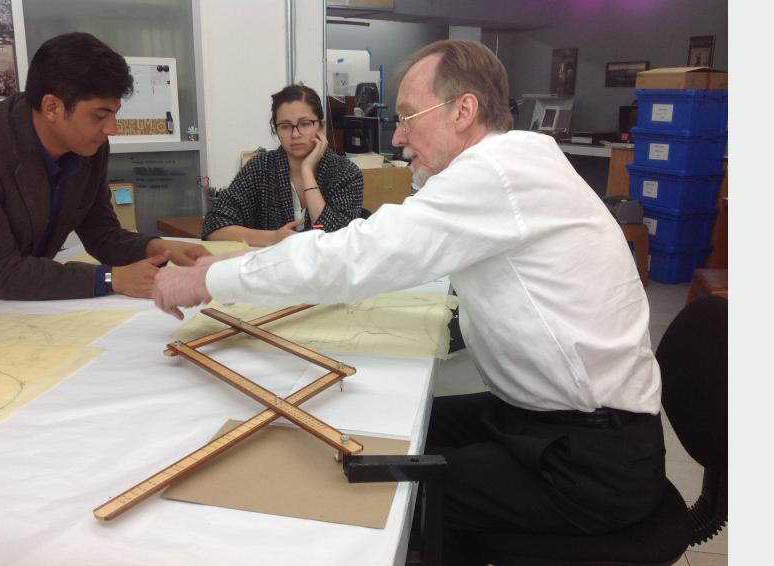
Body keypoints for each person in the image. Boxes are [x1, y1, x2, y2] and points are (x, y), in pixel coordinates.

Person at [154, 40, 665, 563]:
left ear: (463, 111)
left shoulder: (494, 174)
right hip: (544, 418)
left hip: (589, 460)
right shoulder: (512, 163)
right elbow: (389, 246)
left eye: (407, 117)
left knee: (389, 490)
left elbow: (357, 256)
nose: (397, 136)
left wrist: (212, 278)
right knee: (387, 429)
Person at [0, 32, 209, 300]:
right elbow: (4, 273)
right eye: (99, 115)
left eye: (115, 113)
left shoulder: (88, 147)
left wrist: (159, 248)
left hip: (19, 294)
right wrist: (111, 278)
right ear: (52, 107)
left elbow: (101, 233)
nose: (112, 129)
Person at [201, 84, 363, 246]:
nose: (295, 134)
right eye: (285, 126)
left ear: (321, 126)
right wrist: (273, 238)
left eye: (305, 124)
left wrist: (307, 172)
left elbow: (338, 240)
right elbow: (213, 225)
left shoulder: (345, 172)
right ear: (276, 130)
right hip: (270, 261)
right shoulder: (261, 167)